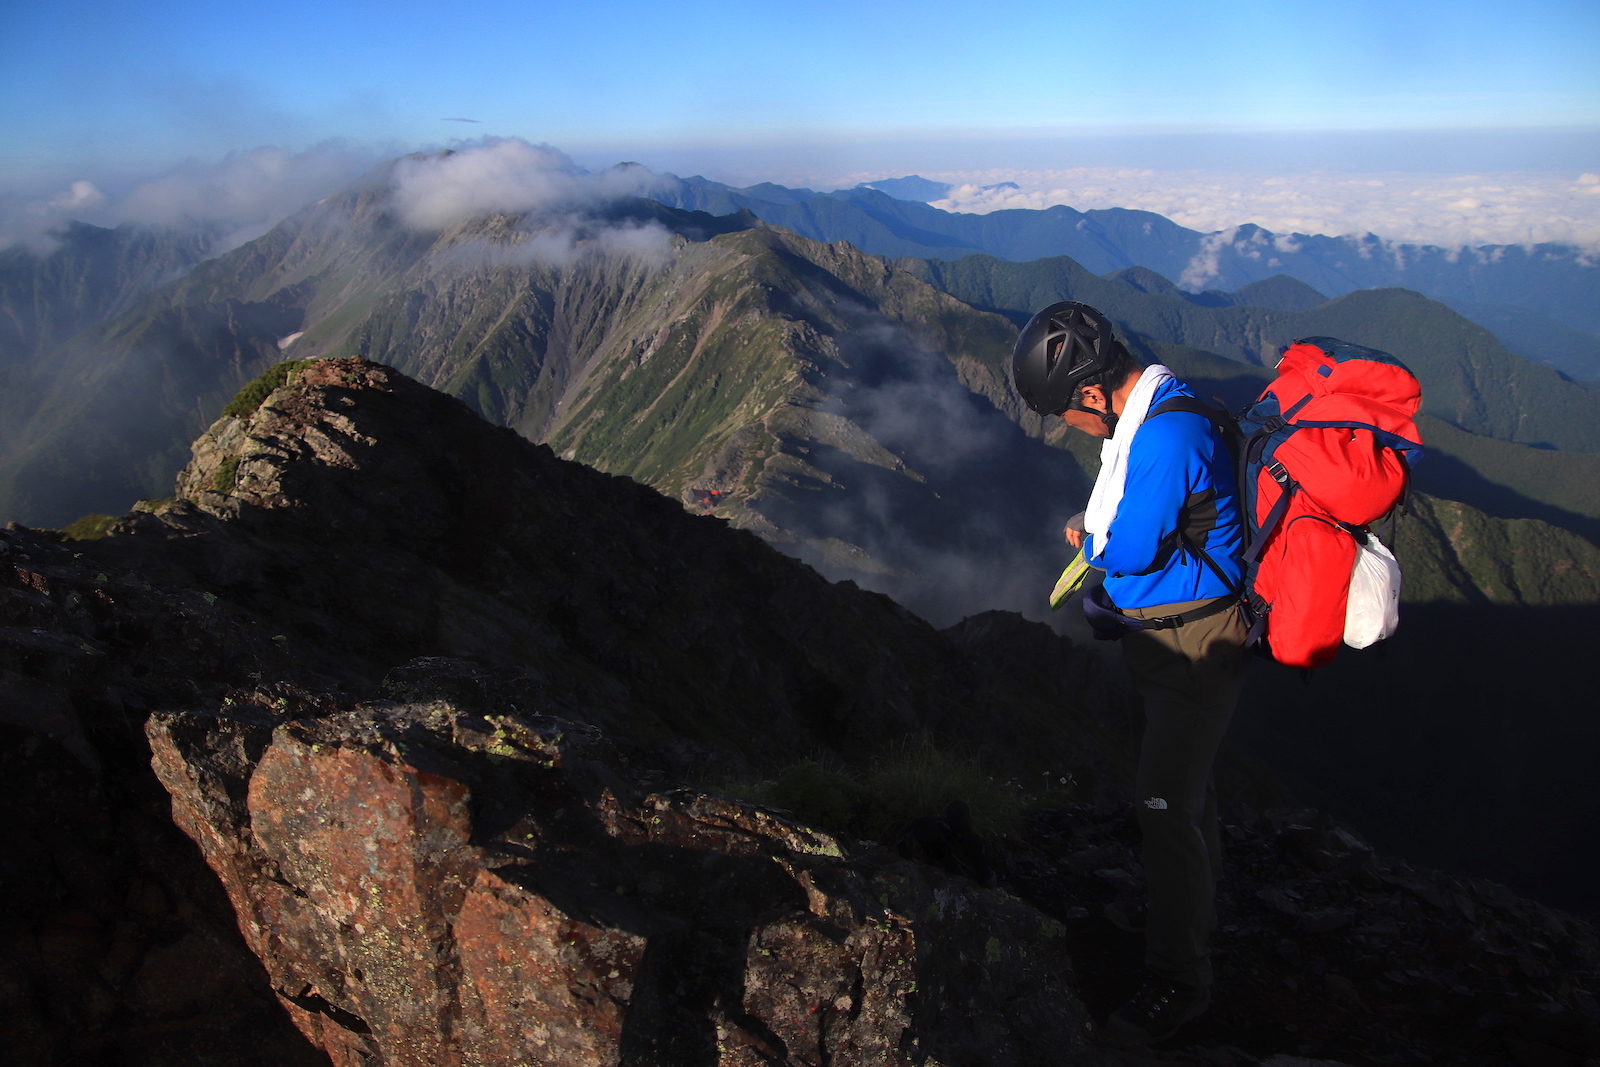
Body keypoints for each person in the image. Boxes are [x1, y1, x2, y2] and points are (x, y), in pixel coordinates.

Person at [1013, 301, 1251, 1046]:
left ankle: (1181, 979)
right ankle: (1196, 912)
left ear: (1088, 392)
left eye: (1061, 413)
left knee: (1162, 804)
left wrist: (1092, 540)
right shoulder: (1152, 420)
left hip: (1193, 646)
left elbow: (1137, 548)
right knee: (1187, 790)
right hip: (1166, 641)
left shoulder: (1166, 436)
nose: (1066, 427)